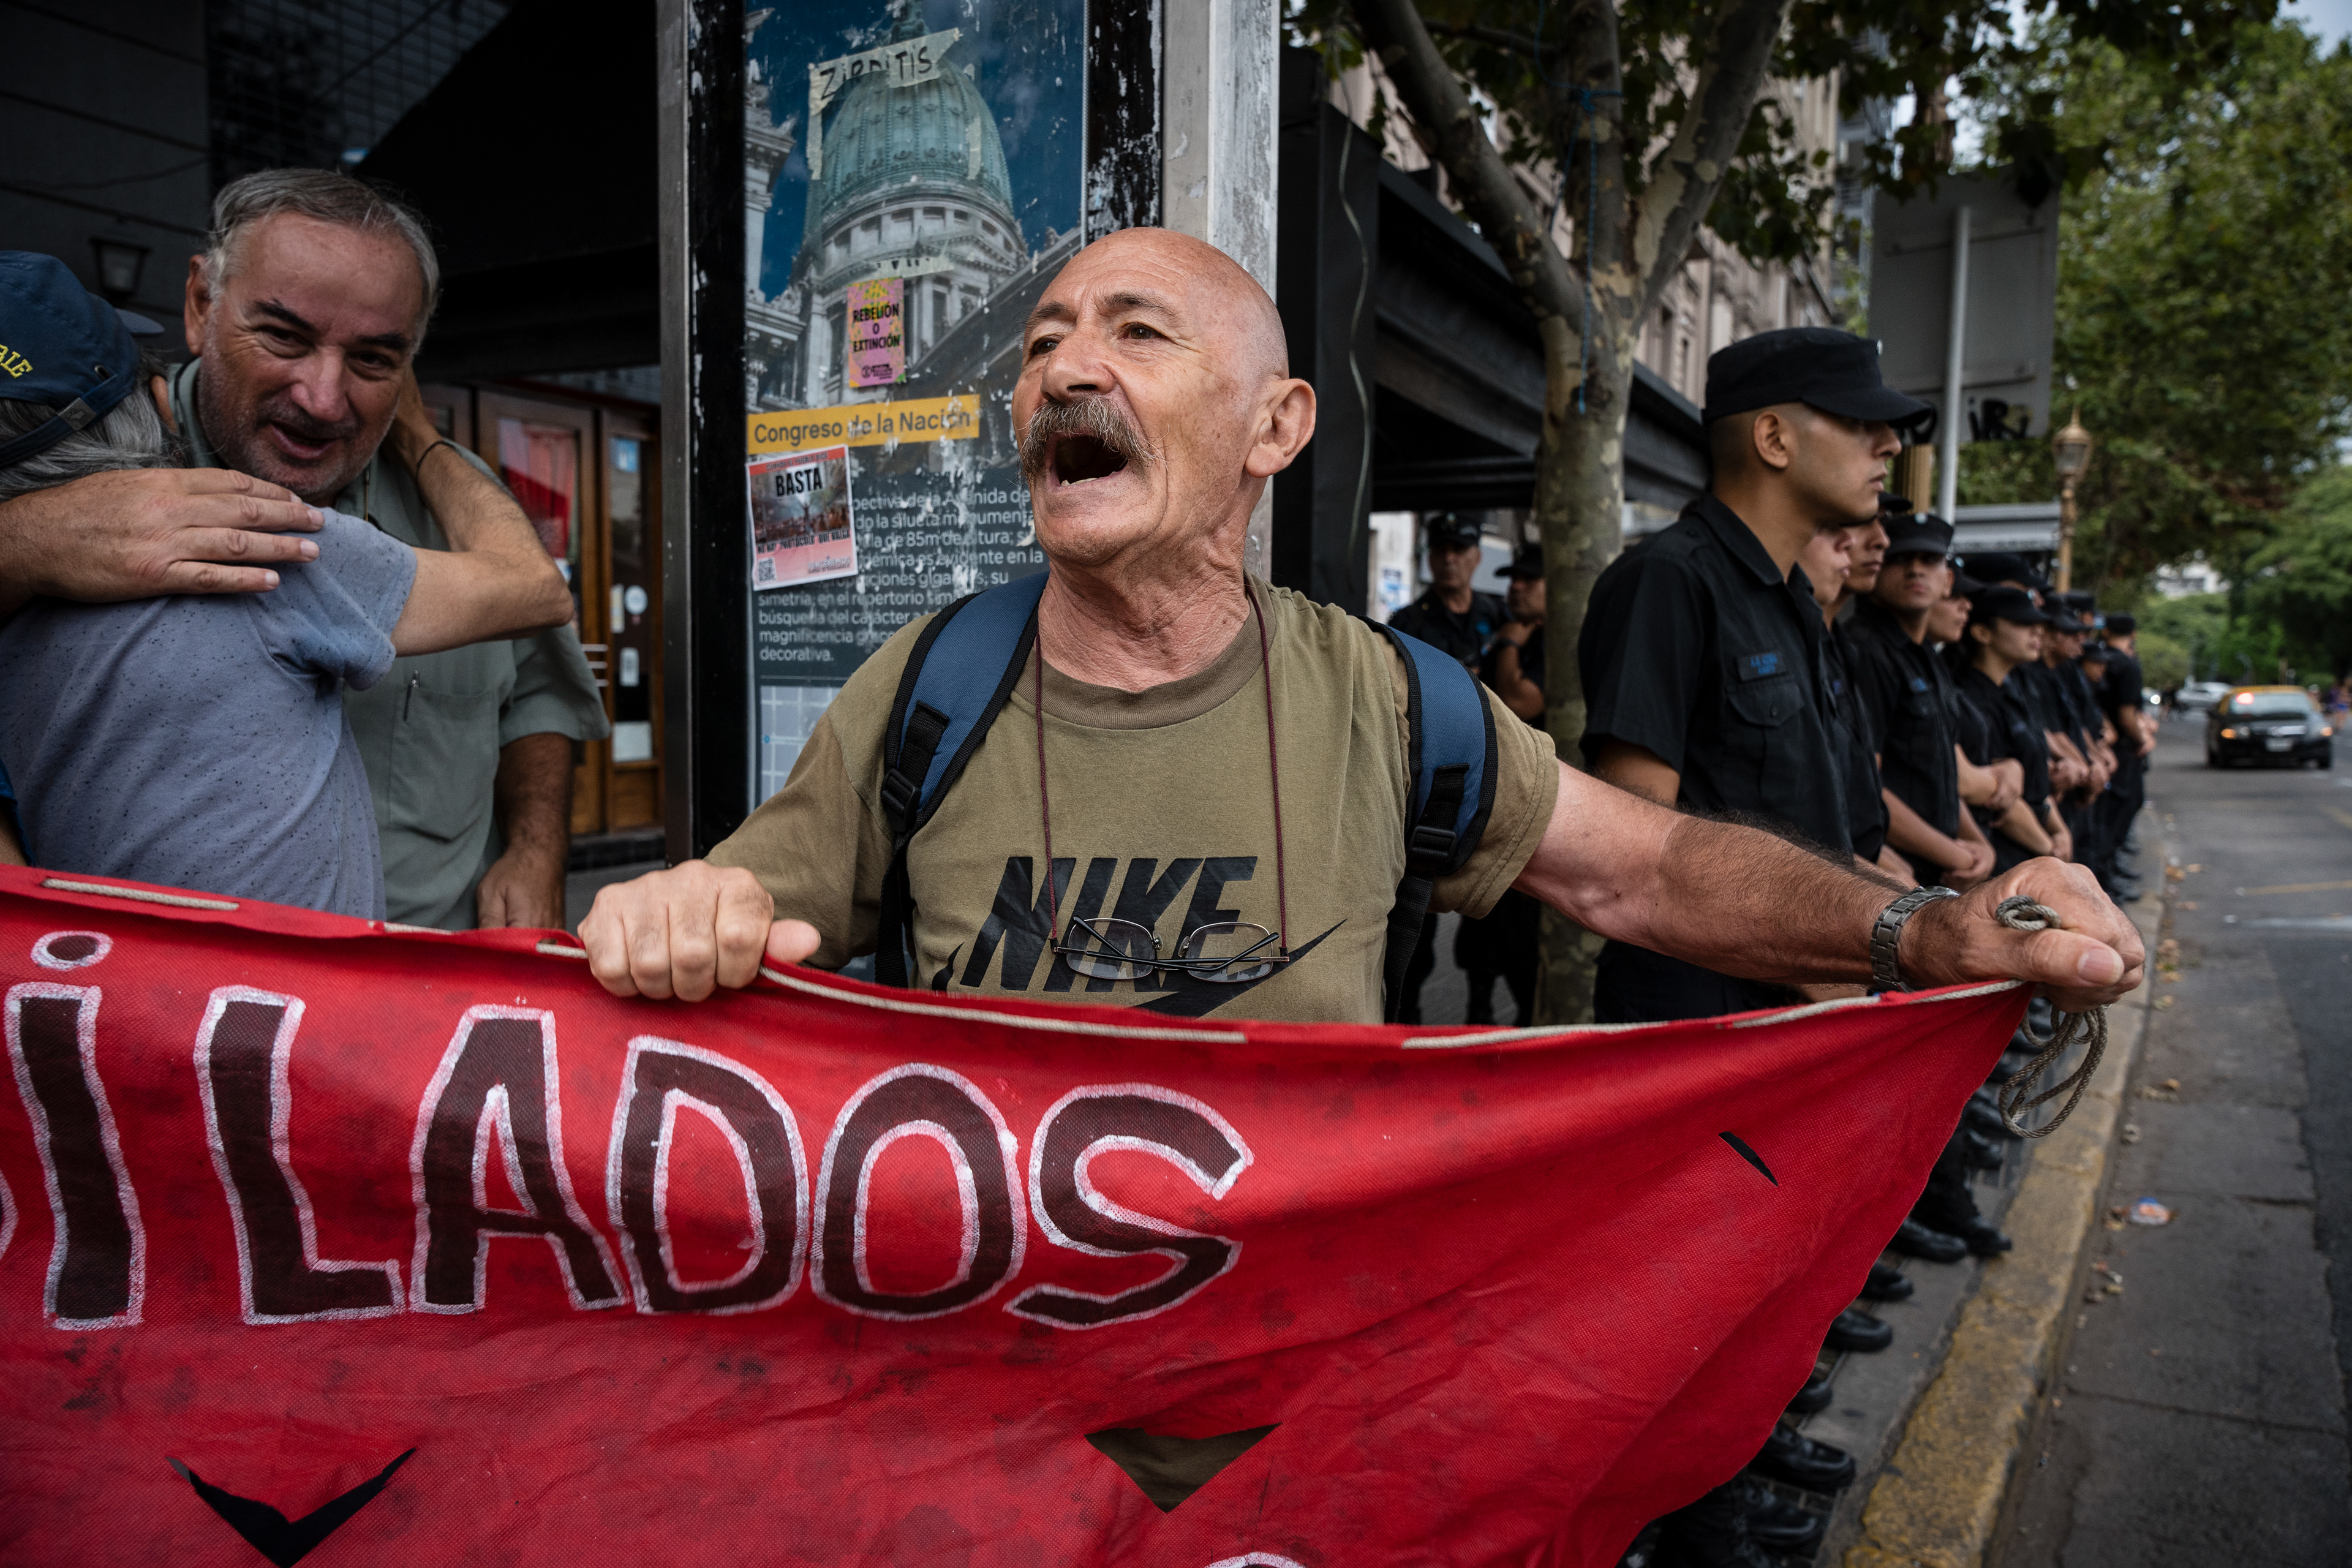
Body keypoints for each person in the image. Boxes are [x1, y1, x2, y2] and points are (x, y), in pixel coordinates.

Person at [0, 170, 610, 930]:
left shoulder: (464, 510)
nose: (324, 398)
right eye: (284, 337)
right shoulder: (85, 491)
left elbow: (536, 693)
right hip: (199, 1016)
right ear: (200, 306)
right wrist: (20, 539)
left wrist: (535, 846)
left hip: (447, 978)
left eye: (373, 360)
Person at [1846, 513, 1995, 890]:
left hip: (1940, 864)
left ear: (1947, 581)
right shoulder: (1866, 652)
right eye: (1899, 559)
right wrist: (1956, 855)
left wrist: (1977, 842)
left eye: (1929, 561)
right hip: (1894, 874)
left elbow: (1940, 772)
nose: (1915, 570)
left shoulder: (1927, 654)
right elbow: (1865, 788)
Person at [1457, 544, 1547, 1023]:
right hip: (1490, 802)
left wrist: (1510, 643)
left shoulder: (1544, 640)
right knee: (1481, 936)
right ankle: (1478, 1016)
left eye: (1529, 580)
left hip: (1534, 807)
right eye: (1513, 579)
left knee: (1523, 944)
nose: (1516, 587)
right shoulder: (1506, 631)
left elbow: (1519, 701)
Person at [1950, 587, 2071, 871]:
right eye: (2022, 624)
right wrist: (2049, 850)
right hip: (2008, 851)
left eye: (2038, 625)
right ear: (1982, 633)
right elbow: (2002, 796)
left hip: (2037, 842)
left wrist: (2061, 831)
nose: (2037, 632)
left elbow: (2035, 782)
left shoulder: (2013, 690)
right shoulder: (1969, 698)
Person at [1387, 513, 1505, 676]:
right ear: (1429, 559)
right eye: (1440, 550)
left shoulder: (1497, 616)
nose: (1448, 559)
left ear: (1478, 557)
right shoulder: (1407, 623)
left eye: (1458, 549)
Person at [2092, 613, 2154, 900]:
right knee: (2118, 810)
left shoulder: (2100, 658)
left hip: (2102, 748)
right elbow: (2127, 715)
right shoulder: (2127, 665)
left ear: (2105, 632)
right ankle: (2105, 879)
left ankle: (2108, 872)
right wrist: (2141, 739)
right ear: (2134, 634)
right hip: (2117, 751)